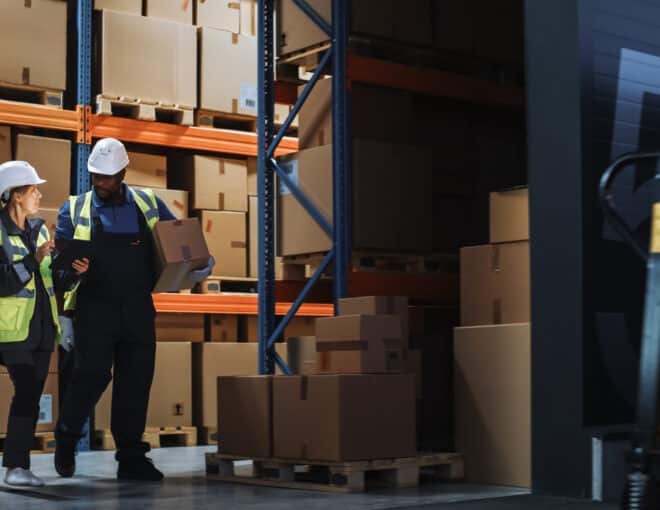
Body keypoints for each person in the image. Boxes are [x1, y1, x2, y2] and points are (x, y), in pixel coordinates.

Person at [53, 138, 214, 482]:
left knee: (135, 381)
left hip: (138, 307)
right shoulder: (74, 208)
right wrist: (66, 299)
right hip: (94, 308)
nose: (101, 183)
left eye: (108, 177)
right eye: (96, 175)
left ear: (123, 173)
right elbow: (58, 267)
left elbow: (178, 239)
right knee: (90, 376)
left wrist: (200, 261)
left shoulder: (147, 203)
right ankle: (66, 440)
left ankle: (130, 457)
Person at [0, 161, 88, 487]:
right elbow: (4, 283)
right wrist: (32, 259)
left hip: (40, 329)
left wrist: (73, 272)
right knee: (25, 392)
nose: (39, 194)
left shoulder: (39, 230)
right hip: (9, 330)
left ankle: (16, 467)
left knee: (29, 396)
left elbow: (52, 280)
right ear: (14, 195)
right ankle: (15, 466)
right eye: (32, 189)